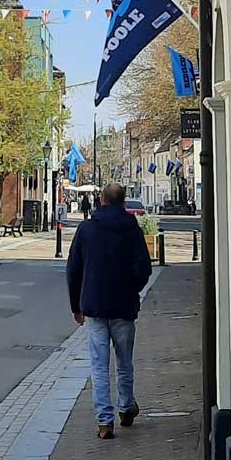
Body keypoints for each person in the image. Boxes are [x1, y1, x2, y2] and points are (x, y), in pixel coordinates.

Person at [66, 180, 152, 439]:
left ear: (101, 201)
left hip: (94, 305)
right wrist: (131, 287)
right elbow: (144, 268)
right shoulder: (132, 229)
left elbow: (73, 269)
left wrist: (76, 305)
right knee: (124, 362)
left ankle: (105, 421)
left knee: (99, 366)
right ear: (123, 202)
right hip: (123, 305)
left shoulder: (86, 229)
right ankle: (125, 408)